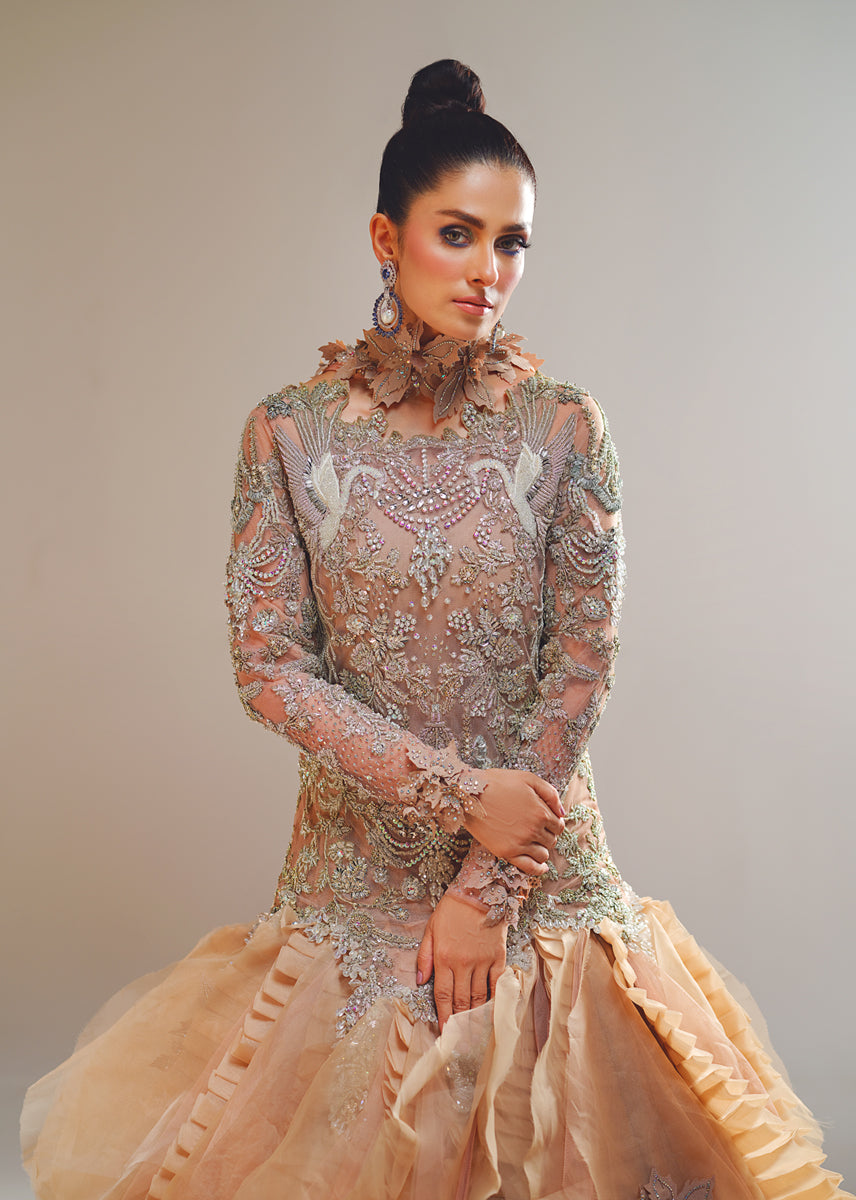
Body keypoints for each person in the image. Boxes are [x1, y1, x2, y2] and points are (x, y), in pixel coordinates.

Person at [20, 59, 851, 1200]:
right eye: (457, 234)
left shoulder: (566, 427)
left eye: (512, 242)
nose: (487, 270)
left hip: (539, 881)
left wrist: (484, 890)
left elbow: (581, 664)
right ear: (386, 236)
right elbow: (268, 667)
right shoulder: (288, 434)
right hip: (357, 882)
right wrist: (460, 799)